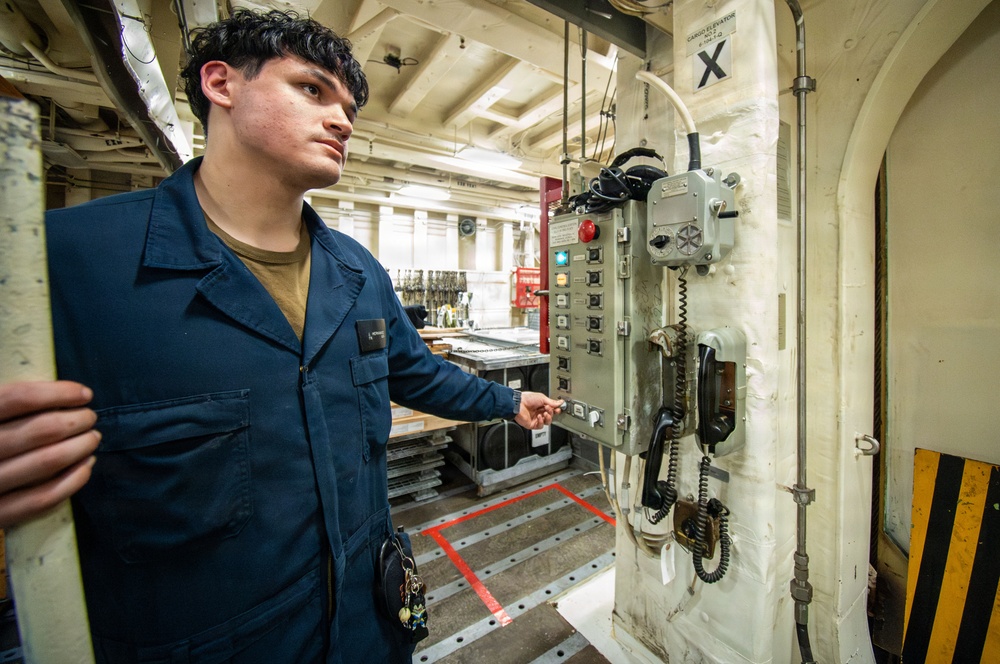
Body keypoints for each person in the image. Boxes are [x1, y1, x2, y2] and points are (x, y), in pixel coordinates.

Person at [0, 9, 562, 662]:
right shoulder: (64, 262)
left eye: (348, 108)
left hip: (365, 630)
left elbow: (416, 373)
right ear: (221, 84)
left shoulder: (357, 271)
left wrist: (507, 401)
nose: (342, 121)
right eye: (311, 89)